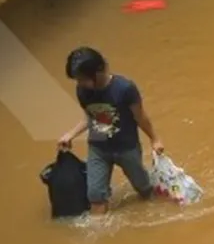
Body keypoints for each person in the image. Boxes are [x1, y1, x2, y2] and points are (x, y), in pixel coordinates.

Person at [57, 47, 164, 214]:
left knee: (144, 189)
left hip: (127, 148)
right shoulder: (82, 91)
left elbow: (140, 117)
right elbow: (90, 116)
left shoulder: (125, 89)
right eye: (78, 80)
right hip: (98, 149)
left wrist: (155, 139)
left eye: (83, 79)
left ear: (99, 71)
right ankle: (97, 236)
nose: (80, 84)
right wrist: (71, 134)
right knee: (95, 196)